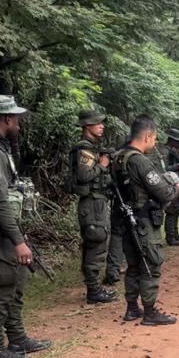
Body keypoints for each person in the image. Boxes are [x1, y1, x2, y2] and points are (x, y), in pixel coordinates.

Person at [0, 95, 52, 358]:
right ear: (7, 119)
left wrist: (18, 235)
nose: (18, 123)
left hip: (6, 229)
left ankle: (17, 338)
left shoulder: (0, 147)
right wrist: (17, 240)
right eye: (16, 118)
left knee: (14, 283)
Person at [111, 116, 179, 325]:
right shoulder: (140, 161)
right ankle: (150, 312)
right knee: (150, 265)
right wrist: (177, 189)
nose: (154, 143)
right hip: (143, 220)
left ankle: (131, 308)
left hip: (125, 220)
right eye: (154, 138)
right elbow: (162, 192)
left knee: (134, 265)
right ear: (147, 136)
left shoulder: (118, 157)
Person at [70, 109, 117, 304]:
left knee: (96, 243)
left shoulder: (92, 147)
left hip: (96, 202)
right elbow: (84, 176)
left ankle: (94, 288)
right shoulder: (84, 148)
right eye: (98, 123)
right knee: (96, 243)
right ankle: (94, 291)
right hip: (91, 203)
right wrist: (103, 164)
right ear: (87, 126)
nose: (102, 126)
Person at [161, 128, 179, 245]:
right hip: (170, 184)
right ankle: (171, 237)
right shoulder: (164, 151)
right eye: (178, 142)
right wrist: (177, 166)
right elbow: (163, 169)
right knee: (172, 210)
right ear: (172, 140)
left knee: (177, 208)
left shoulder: (176, 151)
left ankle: (176, 234)